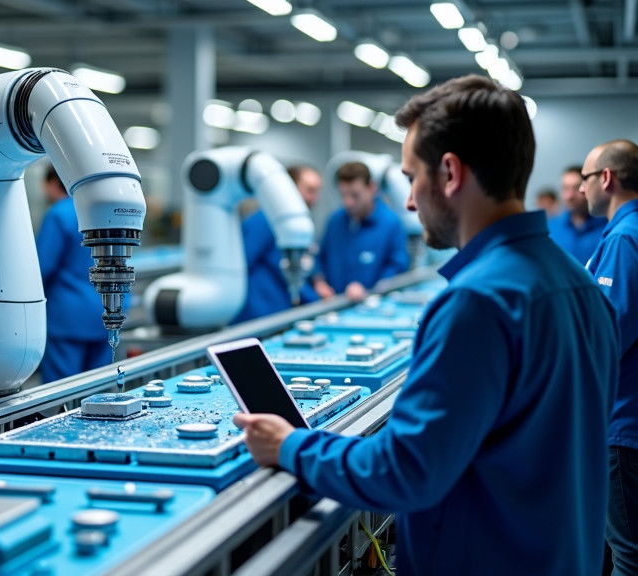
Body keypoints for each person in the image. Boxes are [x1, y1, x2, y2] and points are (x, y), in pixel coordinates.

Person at [234, 75, 619, 576]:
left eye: (412, 176)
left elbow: (405, 472)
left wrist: (288, 445)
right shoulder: (580, 284)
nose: (411, 202)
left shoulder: (477, 303)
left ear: (451, 173)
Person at [581, 139, 638, 576]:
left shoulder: (624, 240)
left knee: (628, 553)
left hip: (621, 423)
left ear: (606, 178)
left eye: (585, 179)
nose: (581, 190)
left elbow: (605, 338)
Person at [36, 165, 116, 382]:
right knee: (97, 390)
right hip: (106, 312)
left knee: (62, 391)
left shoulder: (59, 214)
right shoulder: (104, 212)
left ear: (53, 184)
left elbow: (43, 267)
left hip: (68, 318)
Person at [233, 165, 322, 323]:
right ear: (290, 188)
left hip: (279, 313)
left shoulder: (291, 227)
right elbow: (241, 266)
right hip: (257, 317)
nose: (314, 199)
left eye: (317, 191)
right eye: (310, 190)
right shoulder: (264, 221)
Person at [311, 161, 409, 302]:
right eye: (343, 195)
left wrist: (370, 291)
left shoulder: (391, 223)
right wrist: (319, 282)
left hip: (372, 309)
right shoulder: (335, 220)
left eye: (355, 195)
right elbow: (319, 258)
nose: (348, 202)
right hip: (333, 307)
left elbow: (397, 269)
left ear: (371, 188)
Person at [548, 165, 607, 264]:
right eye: (565, 188)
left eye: (576, 188)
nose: (569, 196)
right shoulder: (550, 228)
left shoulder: (607, 228)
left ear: (587, 188)